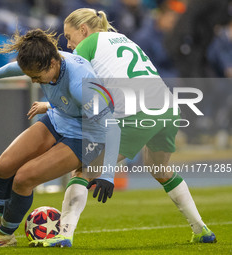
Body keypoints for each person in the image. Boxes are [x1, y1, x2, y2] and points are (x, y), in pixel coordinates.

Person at [28, 8, 216, 247]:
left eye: (69, 35)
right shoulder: (122, 39)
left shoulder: (89, 44)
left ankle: (64, 235)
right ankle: (202, 230)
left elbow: (66, 79)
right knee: (160, 169)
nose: (68, 42)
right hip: (167, 107)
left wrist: (48, 103)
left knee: (83, 171)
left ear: (83, 30)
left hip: (138, 111)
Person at [0, 28, 120, 248]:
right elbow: (16, 68)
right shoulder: (44, 61)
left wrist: (108, 174)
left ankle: (5, 235)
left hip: (87, 135)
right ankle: (2, 216)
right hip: (59, 118)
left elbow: (112, 127)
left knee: (23, 178)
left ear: (52, 63)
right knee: (3, 167)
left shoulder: (81, 85)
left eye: (36, 78)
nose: (33, 81)